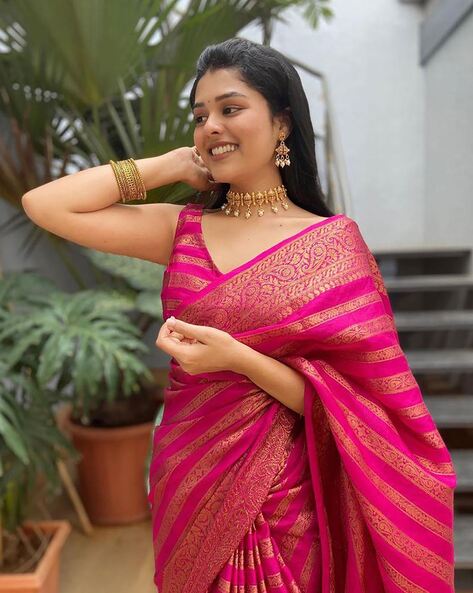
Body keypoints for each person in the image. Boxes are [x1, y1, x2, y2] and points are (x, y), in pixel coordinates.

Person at [22, 38, 456, 593]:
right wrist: (169, 164)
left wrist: (239, 360)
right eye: (201, 116)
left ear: (281, 123)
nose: (212, 127)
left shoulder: (333, 245)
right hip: (192, 482)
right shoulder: (182, 230)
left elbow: (360, 405)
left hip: (288, 501)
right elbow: (46, 205)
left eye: (231, 109)